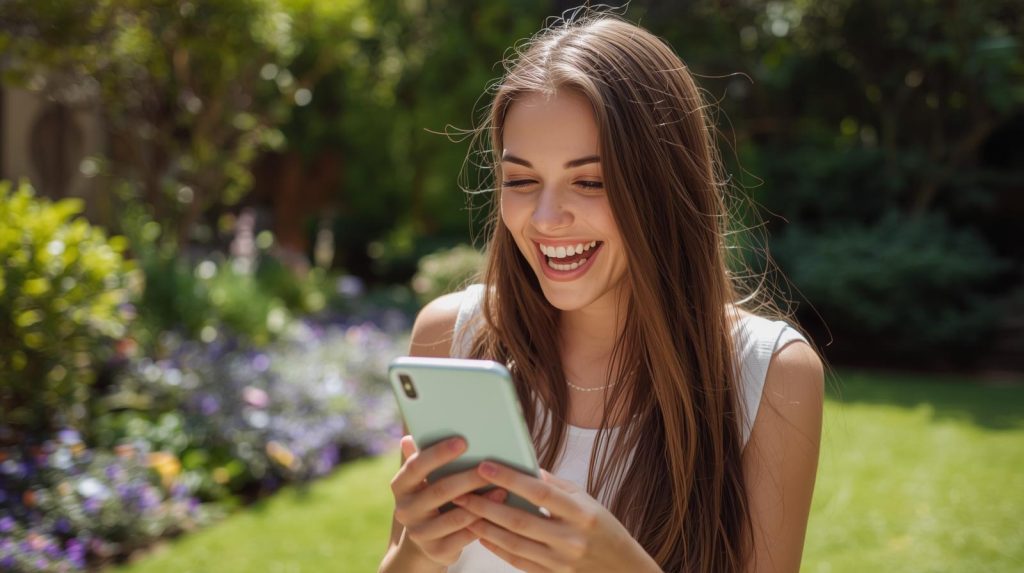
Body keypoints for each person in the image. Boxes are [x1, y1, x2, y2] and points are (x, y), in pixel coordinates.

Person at [378, 10, 823, 573]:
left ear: (664, 185)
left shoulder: (769, 372)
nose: (545, 219)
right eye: (521, 180)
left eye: (589, 181)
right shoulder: (452, 336)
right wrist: (414, 552)